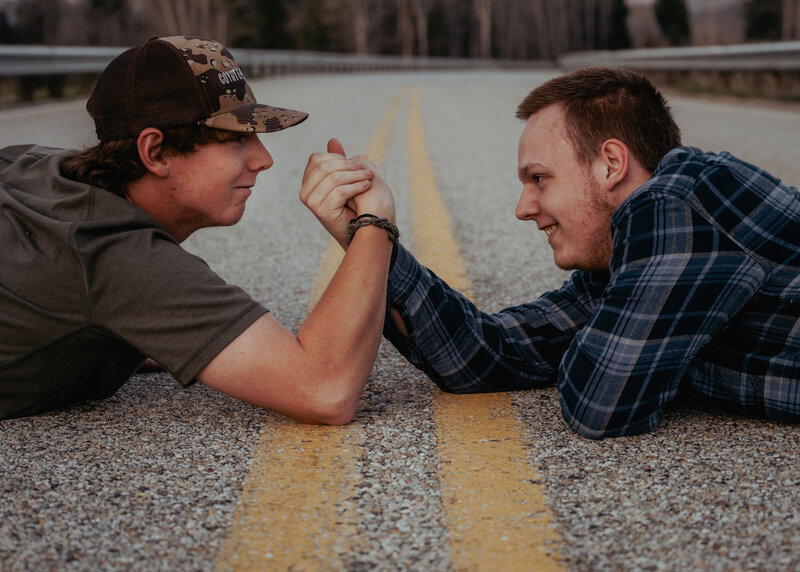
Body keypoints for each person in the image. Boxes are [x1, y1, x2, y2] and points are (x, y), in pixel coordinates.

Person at [309, 66, 800, 439]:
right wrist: (368, 234)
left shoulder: (676, 201)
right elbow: (486, 354)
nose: (524, 208)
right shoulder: (622, 258)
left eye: (539, 179)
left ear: (610, 164)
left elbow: (602, 403)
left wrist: (643, 353)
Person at [0, 35, 397, 423]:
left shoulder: (38, 165)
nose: (263, 159)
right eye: (235, 141)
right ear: (154, 152)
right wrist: (374, 224)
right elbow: (324, 389)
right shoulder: (111, 253)